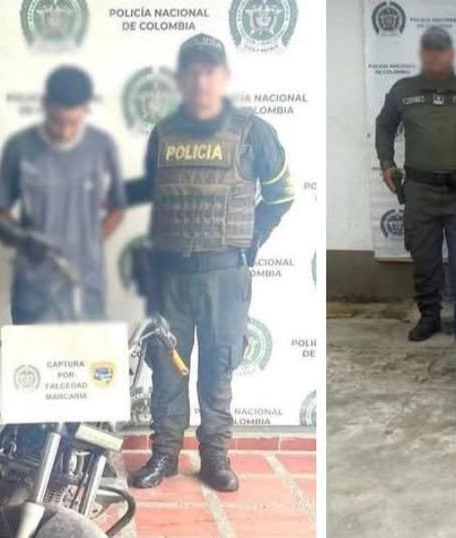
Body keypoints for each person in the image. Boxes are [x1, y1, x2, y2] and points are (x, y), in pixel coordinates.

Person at [128, 33, 294, 492]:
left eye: (210, 70)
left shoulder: (253, 131)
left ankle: (215, 457)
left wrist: (251, 242)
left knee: (218, 369)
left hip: (224, 275)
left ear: (223, 75)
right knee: (167, 369)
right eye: (192, 71)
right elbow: (156, 198)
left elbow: (282, 196)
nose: (201, 79)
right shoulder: (164, 133)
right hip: (171, 276)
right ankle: (164, 454)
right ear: (181, 78)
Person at [375, 26, 456, 342]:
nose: (435, 55)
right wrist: (387, 164)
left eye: (441, 50)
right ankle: (430, 317)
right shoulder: (403, 90)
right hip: (420, 190)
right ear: (421, 54)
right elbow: (384, 127)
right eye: (429, 49)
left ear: (451, 54)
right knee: (424, 259)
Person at [0, 66, 126, 323]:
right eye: (56, 122)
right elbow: (0, 211)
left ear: (86, 109)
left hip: (86, 287)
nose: (64, 132)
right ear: (44, 105)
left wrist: (90, 241)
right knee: (33, 350)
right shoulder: (19, 147)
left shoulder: (102, 147)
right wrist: (22, 240)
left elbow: (118, 208)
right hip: (34, 290)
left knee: (88, 350)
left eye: (73, 123)